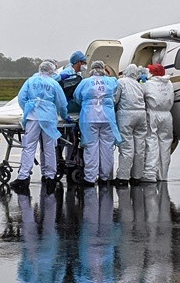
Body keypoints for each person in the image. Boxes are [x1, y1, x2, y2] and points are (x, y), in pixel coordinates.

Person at [10, 61, 71, 194]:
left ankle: (23, 177)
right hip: (48, 118)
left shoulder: (31, 81)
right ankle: (50, 177)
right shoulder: (53, 83)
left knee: (29, 147)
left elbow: (21, 98)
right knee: (49, 148)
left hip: (33, 117)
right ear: (51, 71)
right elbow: (61, 103)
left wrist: (27, 109)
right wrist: (64, 115)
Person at [73, 60, 122, 187]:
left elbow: (77, 96)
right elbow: (116, 97)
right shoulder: (112, 81)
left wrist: (87, 103)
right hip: (108, 118)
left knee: (91, 147)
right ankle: (104, 177)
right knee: (107, 148)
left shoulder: (85, 82)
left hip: (90, 117)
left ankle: (90, 178)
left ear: (92, 69)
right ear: (103, 68)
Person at [113, 64, 147, 187]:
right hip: (141, 115)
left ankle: (123, 177)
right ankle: (137, 176)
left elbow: (115, 99)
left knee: (127, 148)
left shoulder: (121, 82)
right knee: (139, 148)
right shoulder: (139, 85)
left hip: (127, 115)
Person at [142, 64, 174, 183]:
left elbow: (141, 93)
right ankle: (163, 175)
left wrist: (141, 82)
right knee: (165, 145)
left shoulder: (149, 84)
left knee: (152, 143)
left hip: (153, 114)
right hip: (167, 115)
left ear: (153, 73)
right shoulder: (169, 83)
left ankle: (150, 174)